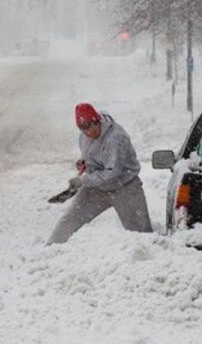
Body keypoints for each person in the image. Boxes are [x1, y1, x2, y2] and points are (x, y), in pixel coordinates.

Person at [47, 102, 153, 244]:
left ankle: (150, 260)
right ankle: (49, 251)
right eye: (84, 129)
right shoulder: (83, 136)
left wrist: (82, 181)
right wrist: (84, 163)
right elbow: (91, 156)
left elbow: (111, 173)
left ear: (97, 121)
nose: (89, 133)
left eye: (91, 127)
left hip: (125, 189)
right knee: (69, 220)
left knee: (142, 236)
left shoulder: (116, 138)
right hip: (96, 190)